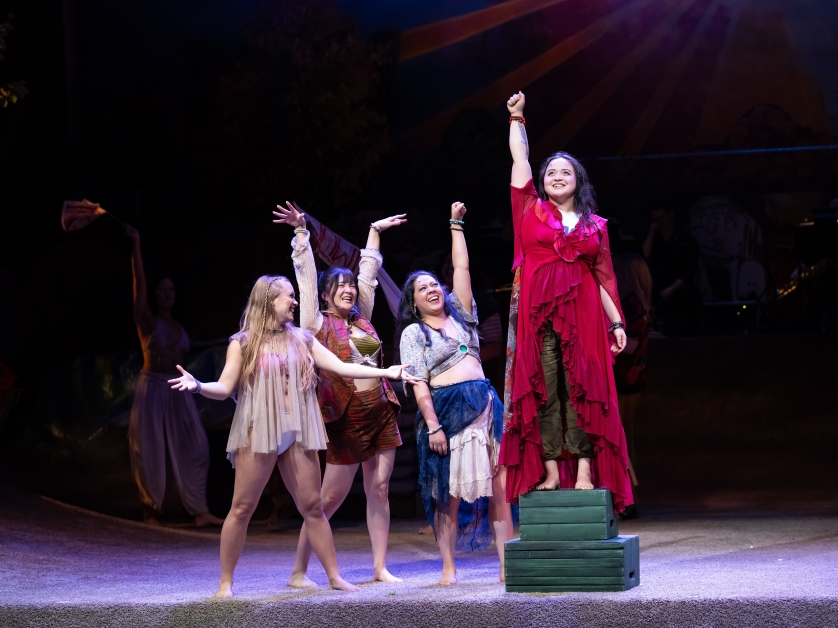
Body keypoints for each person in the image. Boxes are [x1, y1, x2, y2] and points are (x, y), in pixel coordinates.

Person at [168, 274, 419, 598]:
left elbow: (341, 367)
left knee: (313, 507)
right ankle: (226, 582)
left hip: (298, 430)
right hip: (259, 430)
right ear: (269, 301)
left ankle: (333, 577)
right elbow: (226, 387)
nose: (295, 301)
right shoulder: (243, 342)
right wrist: (199, 386)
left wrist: (385, 372)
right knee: (243, 507)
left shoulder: (301, 338)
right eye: (289, 296)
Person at [500, 91, 633, 513]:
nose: (557, 175)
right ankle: (553, 466)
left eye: (566, 171)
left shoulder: (595, 226)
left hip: (586, 318)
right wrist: (517, 118)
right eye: (551, 172)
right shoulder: (529, 211)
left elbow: (603, 278)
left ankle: (584, 469)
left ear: (579, 180)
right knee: (545, 390)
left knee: (583, 391)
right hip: (538, 318)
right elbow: (520, 161)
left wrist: (616, 323)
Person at [273, 202, 406, 586]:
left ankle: (380, 567)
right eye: (340, 287)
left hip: (380, 409)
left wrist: (375, 232)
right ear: (329, 295)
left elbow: (369, 273)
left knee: (379, 489)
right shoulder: (315, 322)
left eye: (350, 286)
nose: (349, 290)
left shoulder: (362, 316)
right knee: (326, 502)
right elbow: (307, 281)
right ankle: (299, 572)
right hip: (344, 417)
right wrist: (301, 234)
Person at [397, 202, 513, 585]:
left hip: (483, 407)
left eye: (434, 284)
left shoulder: (463, 316)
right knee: (446, 493)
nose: (431, 289)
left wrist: (456, 225)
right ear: (412, 302)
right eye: (422, 287)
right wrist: (432, 425)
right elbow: (417, 382)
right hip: (446, 412)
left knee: (499, 487)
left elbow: (461, 268)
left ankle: (504, 564)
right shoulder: (414, 334)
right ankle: (448, 567)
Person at [125, 226, 223, 527]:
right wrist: (136, 246)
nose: (166, 293)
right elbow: (139, 283)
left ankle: (199, 510)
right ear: (155, 295)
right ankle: (150, 511)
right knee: (149, 450)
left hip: (178, 388)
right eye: (161, 289)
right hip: (152, 386)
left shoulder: (179, 327)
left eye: (171, 290)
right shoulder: (147, 321)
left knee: (196, 445)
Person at [612, 252, 652, 493]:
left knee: (623, 438)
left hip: (626, 380)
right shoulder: (635, 302)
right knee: (625, 438)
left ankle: (627, 494)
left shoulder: (632, 303)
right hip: (630, 380)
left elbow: (634, 344)